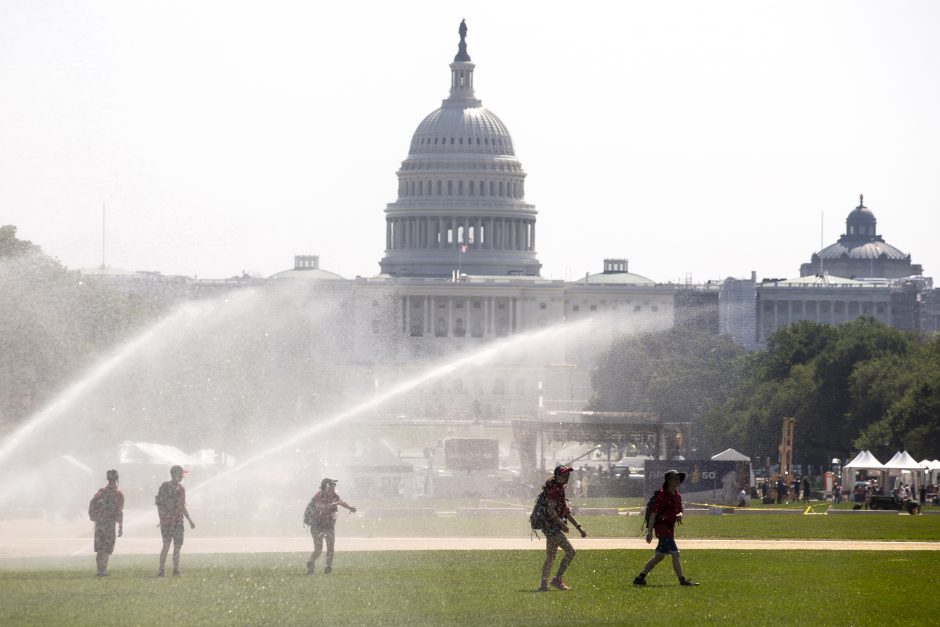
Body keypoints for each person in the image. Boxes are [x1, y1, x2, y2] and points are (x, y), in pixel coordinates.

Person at [633, 469, 699, 587]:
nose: (678, 480)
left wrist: (679, 515)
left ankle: (640, 577)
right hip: (662, 529)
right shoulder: (662, 496)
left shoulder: (677, 496)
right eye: (675, 478)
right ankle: (682, 580)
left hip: (670, 529)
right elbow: (653, 514)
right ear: (668, 481)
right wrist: (649, 532)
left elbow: (680, 511)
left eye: (679, 478)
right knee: (675, 553)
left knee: (659, 557)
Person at [537, 465, 586, 591]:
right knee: (570, 552)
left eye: (568, 474)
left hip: (550, 528)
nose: (567, 477)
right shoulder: (555, 489)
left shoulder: (558, 488)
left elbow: (566, 512)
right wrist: (562, 525)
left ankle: (543, 585)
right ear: (557, 476)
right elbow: (551, 510)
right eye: (564, 475)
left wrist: (579, 527)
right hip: (552, 528)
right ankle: (557, 579)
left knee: (550, 556)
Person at [305, 478, 357, 575]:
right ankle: (311, 563)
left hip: (328, 525)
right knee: (318, 549)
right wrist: (333, 504)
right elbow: (320, 507)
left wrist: (349, 507)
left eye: (334, 486)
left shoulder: (333, 495)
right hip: (317, 526)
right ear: (326, 487)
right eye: (332, 485)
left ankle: (328, 568)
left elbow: (340, 502)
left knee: (330, 547)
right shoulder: (319, 495)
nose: (334, 488)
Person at [155, 465, 195, 577]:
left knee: (172, 545)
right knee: (171, 546)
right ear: (176, 474)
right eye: (181, 474)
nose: (183, 476)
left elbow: (180, 506)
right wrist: (163, 518)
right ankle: (167, 570)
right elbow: (161, 504)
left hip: (174, 522)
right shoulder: (169, 487)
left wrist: (190, 520)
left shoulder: (176, 488)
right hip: (173, 522)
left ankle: (169, 570)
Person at [88, 469, 124, 577]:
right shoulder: (118, 494)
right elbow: (119, 512)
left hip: (100, 524)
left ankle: (100, 570)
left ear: (108, 479)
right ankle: (103, 570)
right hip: (109, 524)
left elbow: (92, 504)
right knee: (107, 548)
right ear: (117, 479)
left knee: (100, 548)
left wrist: (94, 517)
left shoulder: (101, 492)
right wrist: (120, 527)